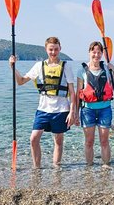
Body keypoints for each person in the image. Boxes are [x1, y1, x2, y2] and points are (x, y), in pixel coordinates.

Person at [8, 37, 76, 169]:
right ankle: (37, 168)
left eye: (56, 49)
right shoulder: (39, 66)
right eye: (51, 49)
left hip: (61, 109)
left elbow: (72, 92)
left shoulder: (66, 66)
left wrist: (72, 112)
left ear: (60, 49)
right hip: (43, 109)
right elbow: (21, 81)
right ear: (46, 49)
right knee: (33, 138)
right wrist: (13, 67)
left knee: (58, 140)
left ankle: (57, 168)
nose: (53, 52)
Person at [75, 41, 114, 168]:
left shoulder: (106, 69)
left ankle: (106, 166)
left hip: (105, 109)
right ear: (89, 53)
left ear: (102, 54)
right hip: (88, 110)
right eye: (94, 52)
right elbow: (78, 93)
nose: (96, 55)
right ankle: (89, 167)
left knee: (104, 140)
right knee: (89, 141)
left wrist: (113, 70)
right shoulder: (82, 71)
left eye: (99, 52)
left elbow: (112, 86)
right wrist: (76, 114)